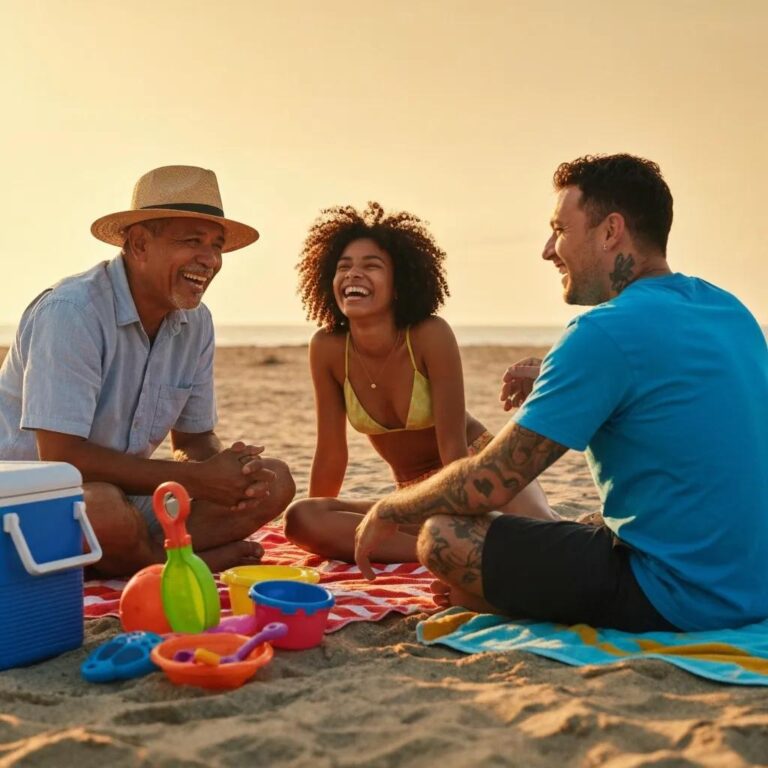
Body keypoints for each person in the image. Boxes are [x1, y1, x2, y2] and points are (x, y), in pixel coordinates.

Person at [354, 154, 768, 633]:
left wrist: (389, 507)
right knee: (593, 520)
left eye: (560, 230)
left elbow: (492, 480)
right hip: (754, 583)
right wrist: (557, 377)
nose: (549, 250)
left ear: (611, 231)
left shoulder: (604, 331)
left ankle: (492, 600)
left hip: (681, 597)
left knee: (444, 536)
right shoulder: (729, 310)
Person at [0, 165, 295, 576]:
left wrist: (227, 470)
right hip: (25, 503)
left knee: (273, 479)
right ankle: (166, 562)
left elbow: (192, 440)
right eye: (192, 241)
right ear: (139, 244)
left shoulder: (197, 323)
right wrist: (200, 480)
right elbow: (61, 458)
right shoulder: (71, 312)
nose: (209, 259)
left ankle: (134, 556)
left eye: (216, 245)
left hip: (126, 496)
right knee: (101, 508)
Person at [283, 202, 554, 562]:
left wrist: (461, 515)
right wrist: (320, 519)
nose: (353, 275)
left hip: (476, 474)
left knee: (546, 538)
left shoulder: (429, 335)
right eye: (343, 267)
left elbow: (454, 450)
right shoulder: (328, 348)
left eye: (371, 266)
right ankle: (443, 551)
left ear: (399, 284)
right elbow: (332, 453)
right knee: (302, 518)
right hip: (413, 499)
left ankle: (455, 546)